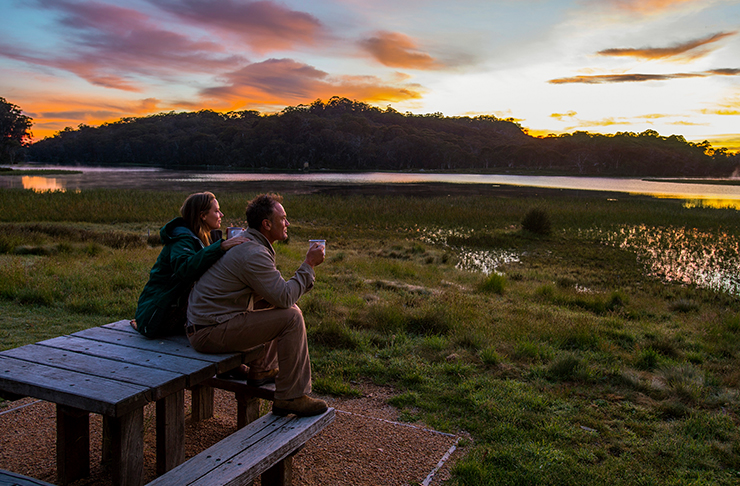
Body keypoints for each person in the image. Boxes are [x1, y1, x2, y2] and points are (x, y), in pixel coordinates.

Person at [186, 193, 328, 417]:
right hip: (208, 331)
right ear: (266, 224)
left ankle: (261, 370)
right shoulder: (252, 252)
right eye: (283, 219)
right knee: (291, 317)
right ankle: (290, 397)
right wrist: (309, 265)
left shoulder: (249, 243)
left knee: (279, 308)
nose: (287, 223)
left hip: (210, 322)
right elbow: (284, 297)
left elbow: (275, 296)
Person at [132, 192, 248, 338]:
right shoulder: (182, 240)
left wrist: (229, 243)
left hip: (174, 313)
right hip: (157, 318)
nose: (221, 214)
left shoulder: (203, 239)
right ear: (203, 215)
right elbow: (184, 269)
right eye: (217, 211)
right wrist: (220, 246)